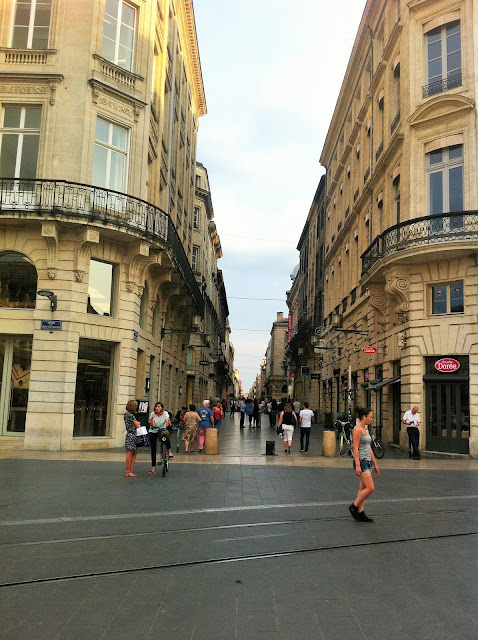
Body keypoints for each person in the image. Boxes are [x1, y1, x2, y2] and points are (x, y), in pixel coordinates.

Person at [349, 407, 380, 522]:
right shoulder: (357, 430)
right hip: (361, 462)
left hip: (368, 461)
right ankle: (354, 506)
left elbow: (369, 447)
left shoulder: (366, 429)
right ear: (364, 417)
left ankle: (360, 512)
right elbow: (355, 448)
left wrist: (375, 463)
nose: (372, 419)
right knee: (370, 488)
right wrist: (357, 465)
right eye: (370, 417)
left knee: (362, 488)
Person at [148, 402, 173, 474]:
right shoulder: (152, 414)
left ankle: (169, 451)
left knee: (166, 435)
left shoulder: (165, 413)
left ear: (162, 407)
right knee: (153, 448)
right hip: (154, 430)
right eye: (156, 406)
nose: (157, 408)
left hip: (162, 430)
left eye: (159, 406)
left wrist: (168, 422)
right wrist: (152, 418)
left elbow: (167, 421)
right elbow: (152, 425)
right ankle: (153, 467)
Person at [124, 399, 140, 477]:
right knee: (131, 453)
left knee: (133, 452)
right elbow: (137, 425)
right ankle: (128, 471)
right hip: (132, 435)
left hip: (129, 434)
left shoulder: (126, 415)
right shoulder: (131, 415)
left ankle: (130, 470)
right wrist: (138, 423)